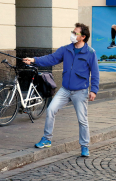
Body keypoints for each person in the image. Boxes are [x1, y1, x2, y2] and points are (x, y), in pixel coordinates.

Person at [23, 23, 99, 157]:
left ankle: (85, 146)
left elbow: (95, 72)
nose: (72, 34)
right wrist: (34, 60)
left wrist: (93, 90)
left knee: (82, 120)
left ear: (83, 37)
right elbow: (51, 59)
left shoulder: (90, 53)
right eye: (73, 32)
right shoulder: (66, 50)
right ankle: (47, 139)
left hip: (80, 91)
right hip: (65, 90)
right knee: (51, 109)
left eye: (75, 33)